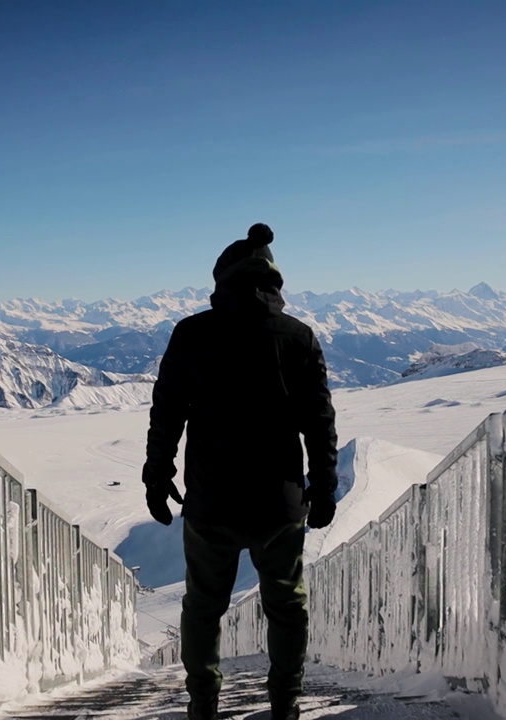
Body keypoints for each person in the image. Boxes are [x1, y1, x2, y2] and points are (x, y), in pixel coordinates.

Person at [142, 223, 339, 720]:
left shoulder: (192, 334)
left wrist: (157, 473)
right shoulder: (299, 338)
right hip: (280, 503)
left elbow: (167, 411)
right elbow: (319, 421)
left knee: (204, 607)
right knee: (286, 606)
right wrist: (324, 485)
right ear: (272, 283)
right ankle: (286, 704)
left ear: (222, 280)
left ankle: (203, 704)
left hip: (212, 501)